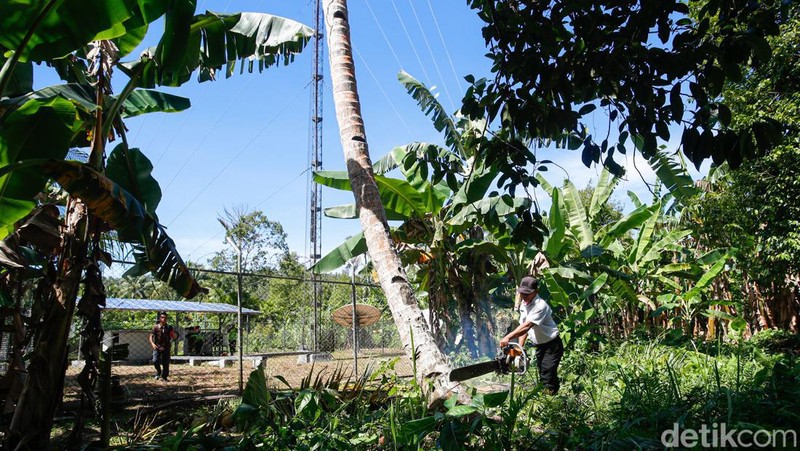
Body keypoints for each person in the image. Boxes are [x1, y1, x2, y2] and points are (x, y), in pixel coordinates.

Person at [500, 276, 564, 394]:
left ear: (536, 291)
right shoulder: (524, 305)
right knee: (542, 370)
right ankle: (547, 394)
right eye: (522, 293)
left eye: (527, 293)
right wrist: (520, 347)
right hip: (540, 345)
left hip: (552, 345)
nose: (524, 295)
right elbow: (523, 325)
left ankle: (552, 396)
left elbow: (527, 326)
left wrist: (508, 337)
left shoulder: (540, 306)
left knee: (547, 370)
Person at [149, 311, 177, 381]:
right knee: (155, 360)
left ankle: (164, 377)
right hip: (157, 346)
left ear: (167, 319)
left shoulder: (169, 327)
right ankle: (159, 372)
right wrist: (152, 344)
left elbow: (174, 336)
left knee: (166, 362)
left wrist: (174, 335)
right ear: (160, 318)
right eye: (162, 317)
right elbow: (150, 337)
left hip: (166, 347)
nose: (163, 319)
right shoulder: (156, 327)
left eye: (165, 318)